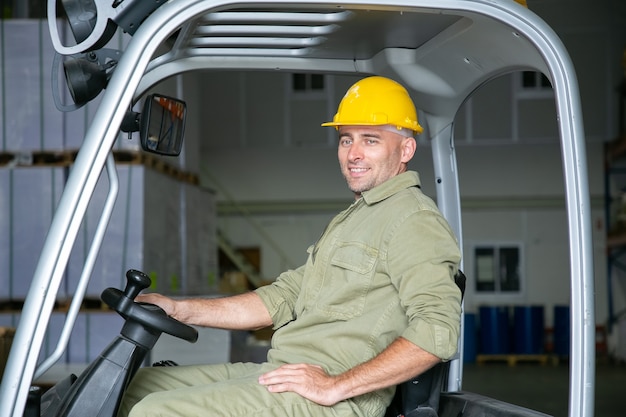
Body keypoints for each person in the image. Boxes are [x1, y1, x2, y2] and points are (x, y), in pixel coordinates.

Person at [117, 76, 462, 417]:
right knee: (132, 386)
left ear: (406, 149)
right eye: (346, 140)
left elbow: (437, 330)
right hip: (285, 373)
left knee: (156, 412)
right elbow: (279, 299)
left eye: (370, 141)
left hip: (335, 398)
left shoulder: (413, 221)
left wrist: (335, 385)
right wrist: (179, 310)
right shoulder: (355, 218)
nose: (353, 154)